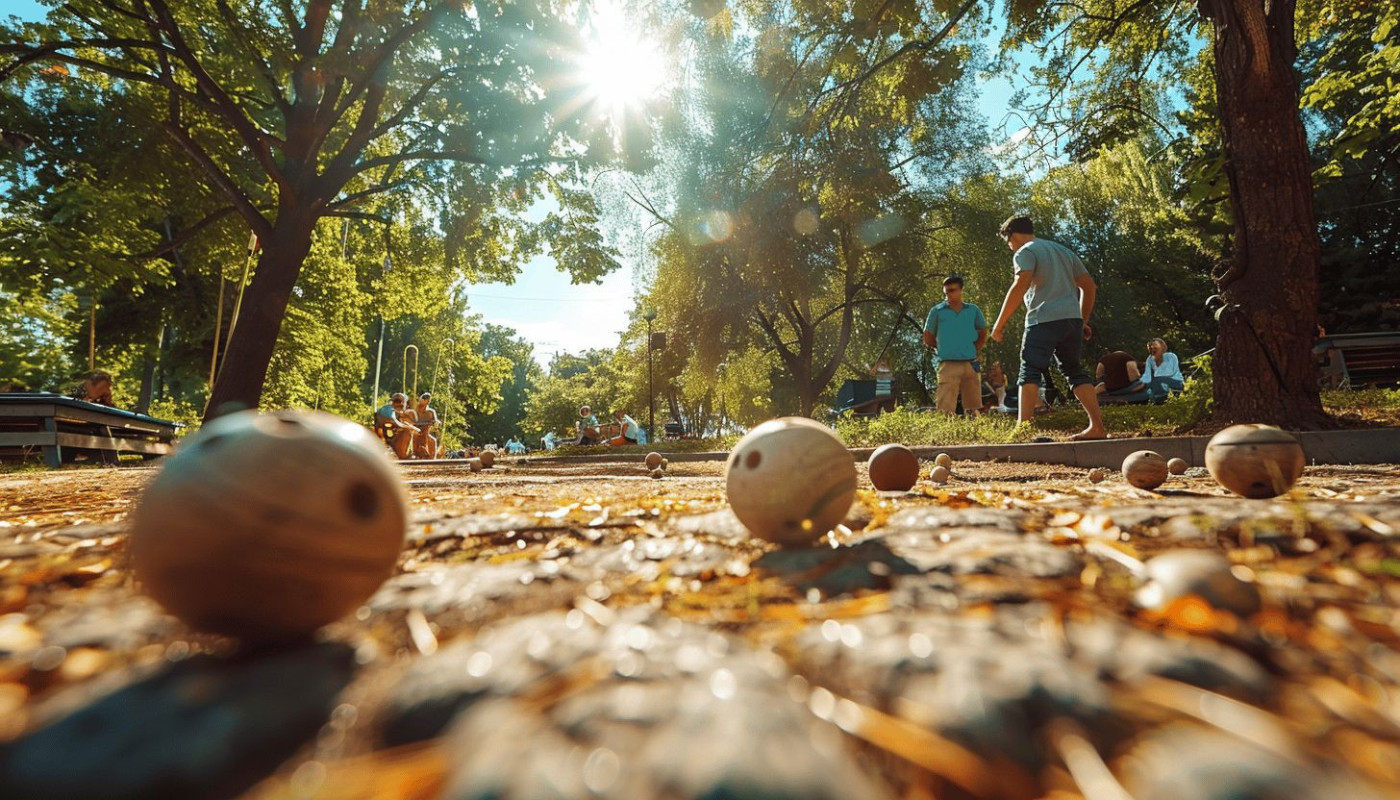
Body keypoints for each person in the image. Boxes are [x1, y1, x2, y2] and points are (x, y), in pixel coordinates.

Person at [989, 215, 1107, 440]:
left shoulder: (1024, 252)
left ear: (1012, 236)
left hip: (1042, 320)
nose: (1010, 247)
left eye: (1008, 243)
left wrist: (999, 323)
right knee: (1074, 371)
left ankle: (1023, 429)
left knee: (1030, 370)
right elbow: (1089, 286)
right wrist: (1082, 320)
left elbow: (1020, 284)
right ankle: (1097, 427)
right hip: (1071, 320)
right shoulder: (1063, 251)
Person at [923, 275, 988, 416]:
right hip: (948, 363)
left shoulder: (973, 310)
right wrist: (942, 348)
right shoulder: (936, 311)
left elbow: (983, 331)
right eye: (946, 292)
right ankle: (947, 431)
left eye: (952, 290)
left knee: (974, 405)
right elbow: (927, 336)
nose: (949, 295)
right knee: (945, 405)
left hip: (970, 361)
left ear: (961, 290)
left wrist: (976, 348)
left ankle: (974, 430)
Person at [373, 393, 420, 459]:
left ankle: (405, 453)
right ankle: (404, 455)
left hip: (388, 434)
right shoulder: (388, 409)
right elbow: (392, 420)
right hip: (384, 434)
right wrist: (410, 427)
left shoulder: (394, 411)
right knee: (408, 431)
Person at [1140, 337, 1184, 403]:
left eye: (1156, 348)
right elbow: (1147, 375)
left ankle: (1162, 398)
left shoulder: (1171, 356)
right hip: (1159, 383)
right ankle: (1156, 397)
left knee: (1156, 381)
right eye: (1151, 348)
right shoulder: (1150, 359)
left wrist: (1157, 378)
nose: (1153, 350)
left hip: (1176, 382)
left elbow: (1171, 373)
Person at [411, 393, 439, 458]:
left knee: (433, 441)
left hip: (426, 432)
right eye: (426, 400)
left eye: (429, 400)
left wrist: (436, 423)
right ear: (422, 400)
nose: (428, 402)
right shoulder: (414, 410)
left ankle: (432, 459)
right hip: (415, 432)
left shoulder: (431, 412)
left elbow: (435, 421)